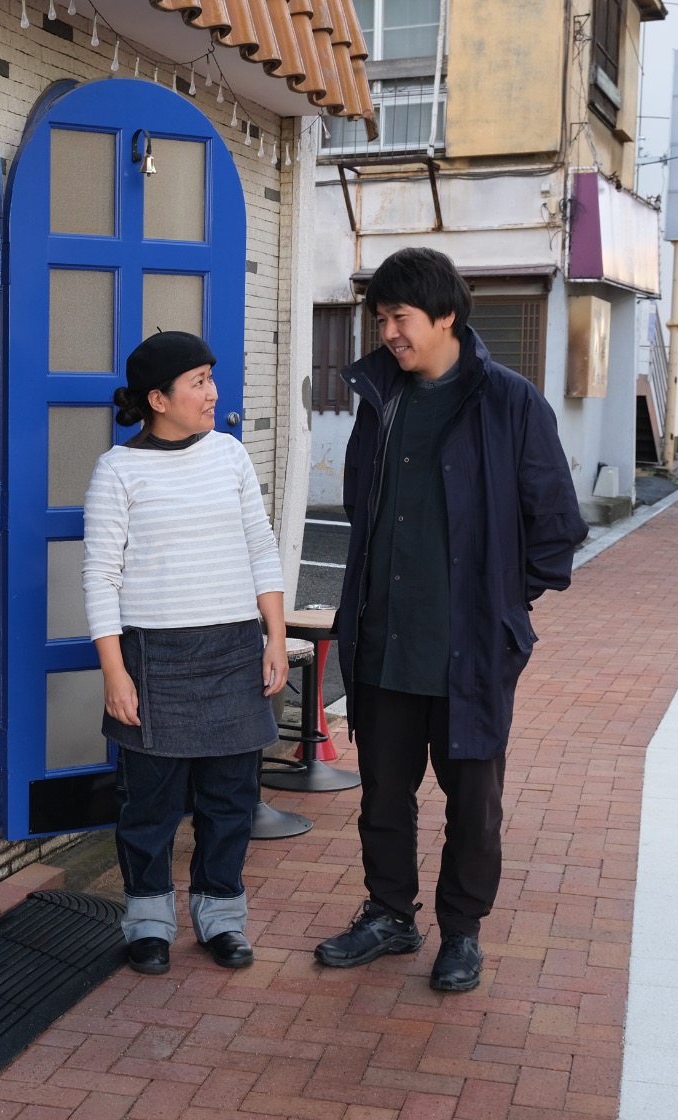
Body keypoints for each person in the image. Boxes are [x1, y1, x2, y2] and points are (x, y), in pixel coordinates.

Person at [314, 248, 587, 992]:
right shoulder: (381, 398)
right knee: (382, 794)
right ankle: (389, 914)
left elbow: (555, 525)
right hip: (383, 639)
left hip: (469, 648)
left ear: (445, 317)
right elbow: (360, 509)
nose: (388, 333)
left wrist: (498, 605)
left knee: (472, 803)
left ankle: (461, 931)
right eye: (380, 319)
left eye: (399, 318)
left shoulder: (509, 402)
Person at [82, 331, 289, 976]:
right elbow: (101, 576)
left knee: (231, 798)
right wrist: (114, 672)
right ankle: (148, 920)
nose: (212, 393)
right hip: (154, 655)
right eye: (198, 381)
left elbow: (260, 544)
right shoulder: (118, 470)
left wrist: (275, 636)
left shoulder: (229, 454)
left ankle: (221, 915)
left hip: (233, 648)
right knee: (150, 804)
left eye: (210, 378)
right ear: (158, 398)